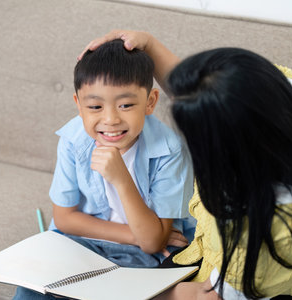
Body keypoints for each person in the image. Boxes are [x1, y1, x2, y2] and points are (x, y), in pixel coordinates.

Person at [81, 31, 292, 299]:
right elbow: (208, 93)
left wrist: (129, 290)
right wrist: (148, 44)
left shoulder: (257, 233)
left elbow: (209, 296)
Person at [13, 39, 196, 299]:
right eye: (95, 107)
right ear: (78, 105)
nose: (110, 119)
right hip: (83, 243)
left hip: (146, 254)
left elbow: (153, 242)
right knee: (31, 289)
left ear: (150, 102)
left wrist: (121, 178)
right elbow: (65, 218)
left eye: (126, 105)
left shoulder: (169, 149)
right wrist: (133, 235)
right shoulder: (73, 139)